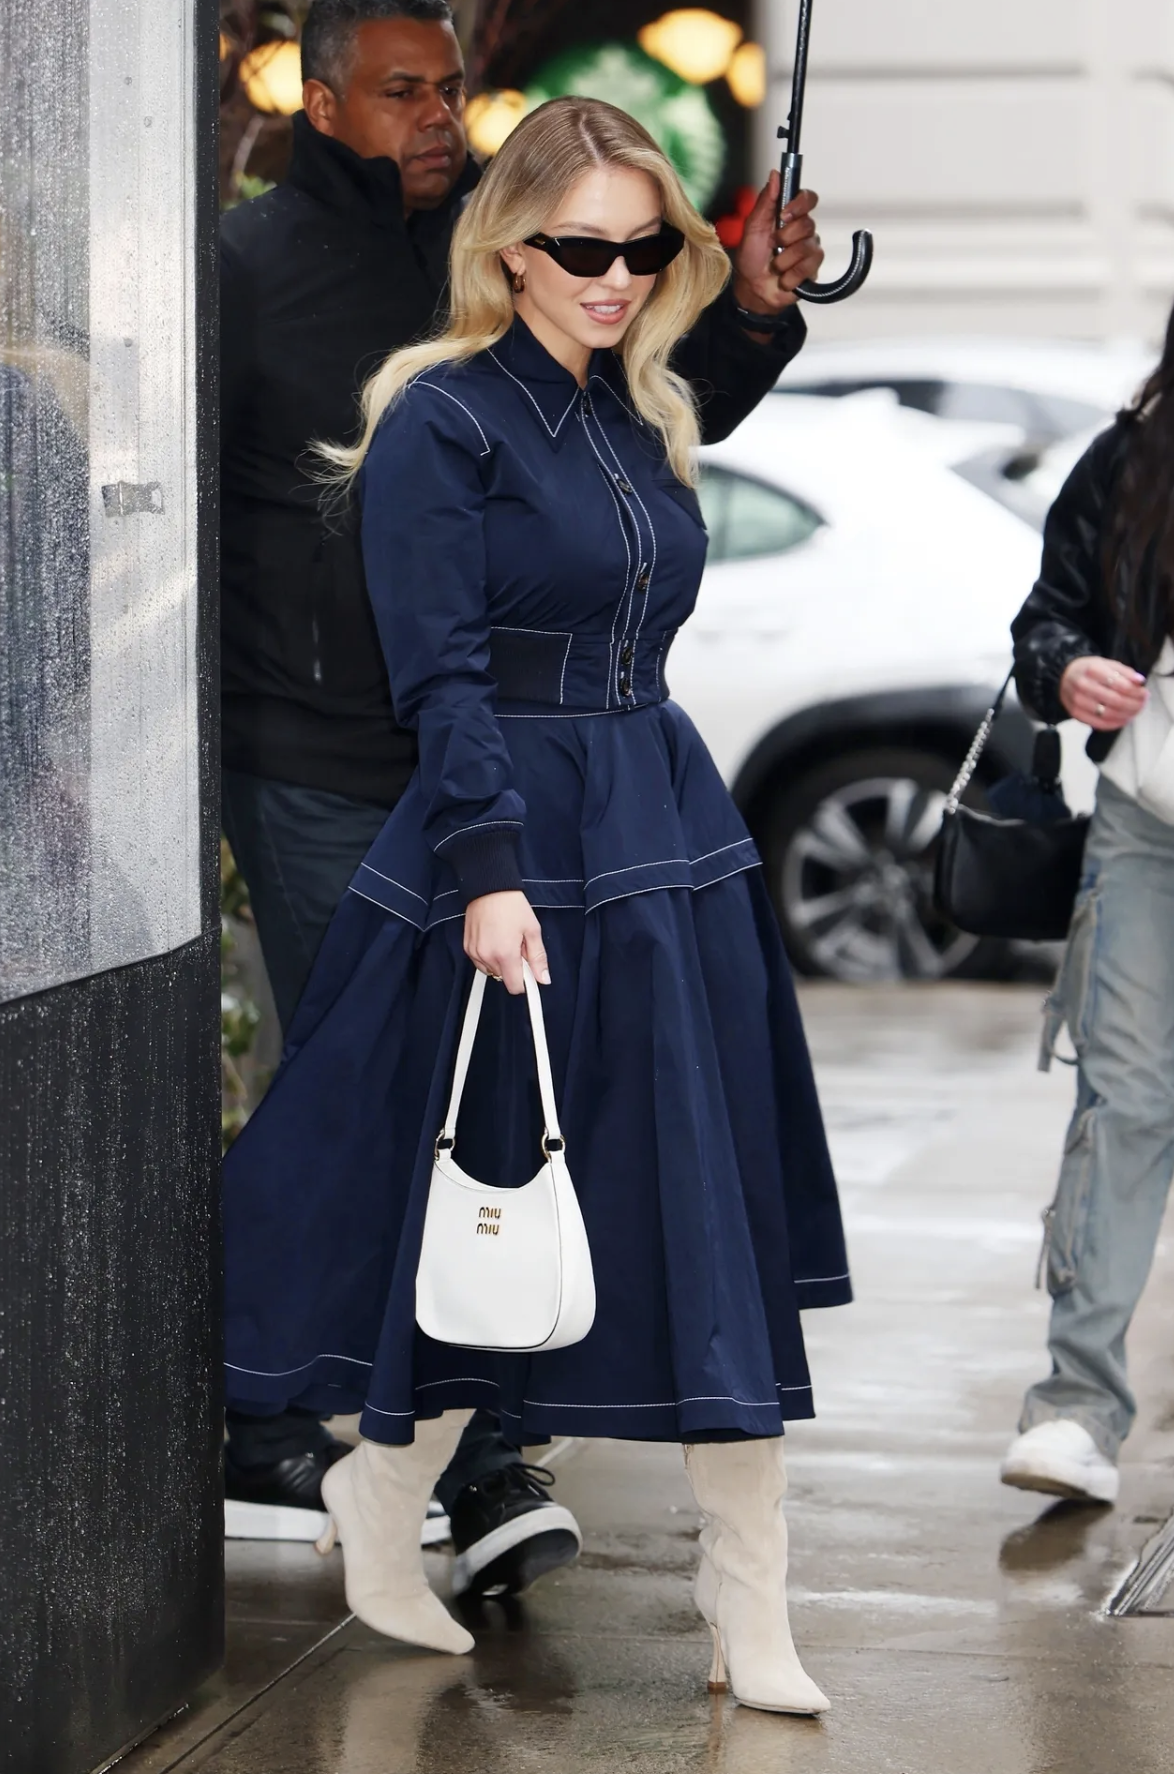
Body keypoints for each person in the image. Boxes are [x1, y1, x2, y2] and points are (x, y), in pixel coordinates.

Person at [222, 93, 851, 1716]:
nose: (616, 272)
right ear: (505, 246)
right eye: (581, 245)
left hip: (665, 825)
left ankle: (745, 1594)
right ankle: (382, 1479)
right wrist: (488, 873)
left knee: (693, 1204)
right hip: (513, 838)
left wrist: (758, 294)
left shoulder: (635, 404)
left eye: (643, 246)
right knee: (494, 1187)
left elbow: (645, 528)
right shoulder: (441, 418)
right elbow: (436, 675)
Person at [1001, 304, 1174, 1506]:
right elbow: (1040, 624)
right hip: (1147, 830)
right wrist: (1069, 667)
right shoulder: (1134, 458)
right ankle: (1073, 1406)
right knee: (1123, 1101)